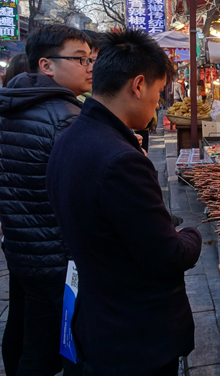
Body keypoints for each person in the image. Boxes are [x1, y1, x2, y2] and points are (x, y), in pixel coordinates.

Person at [46, 29, 202, 376]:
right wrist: (192, 235)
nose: (157, 104)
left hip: (99, 320)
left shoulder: (71, 137)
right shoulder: (120, 160)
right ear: (138, 86)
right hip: (133, 337)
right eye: (159, 93)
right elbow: (168, 256)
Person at [0, 24, 92, 376]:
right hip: (57, 257)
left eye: (90, 59)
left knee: (30, 339)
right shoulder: (64, 120)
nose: (88, 67)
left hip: (22, 247)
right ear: (46, 65)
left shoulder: (13, 105)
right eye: (79, 59)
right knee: (65, 348)